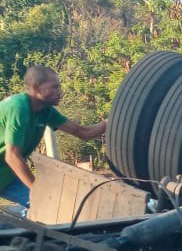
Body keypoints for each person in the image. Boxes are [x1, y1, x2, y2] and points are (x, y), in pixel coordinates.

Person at [0, 65, 107, 209]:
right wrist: (38, 190)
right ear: (36, 88)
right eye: (54, 87)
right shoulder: (18, 107)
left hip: (7, 177)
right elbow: (12, 157)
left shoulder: (46, 111)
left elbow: (84, 133)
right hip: (9, 168)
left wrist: (112, 121)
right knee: (42, 199)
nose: (59, 92)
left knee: (48, 206)